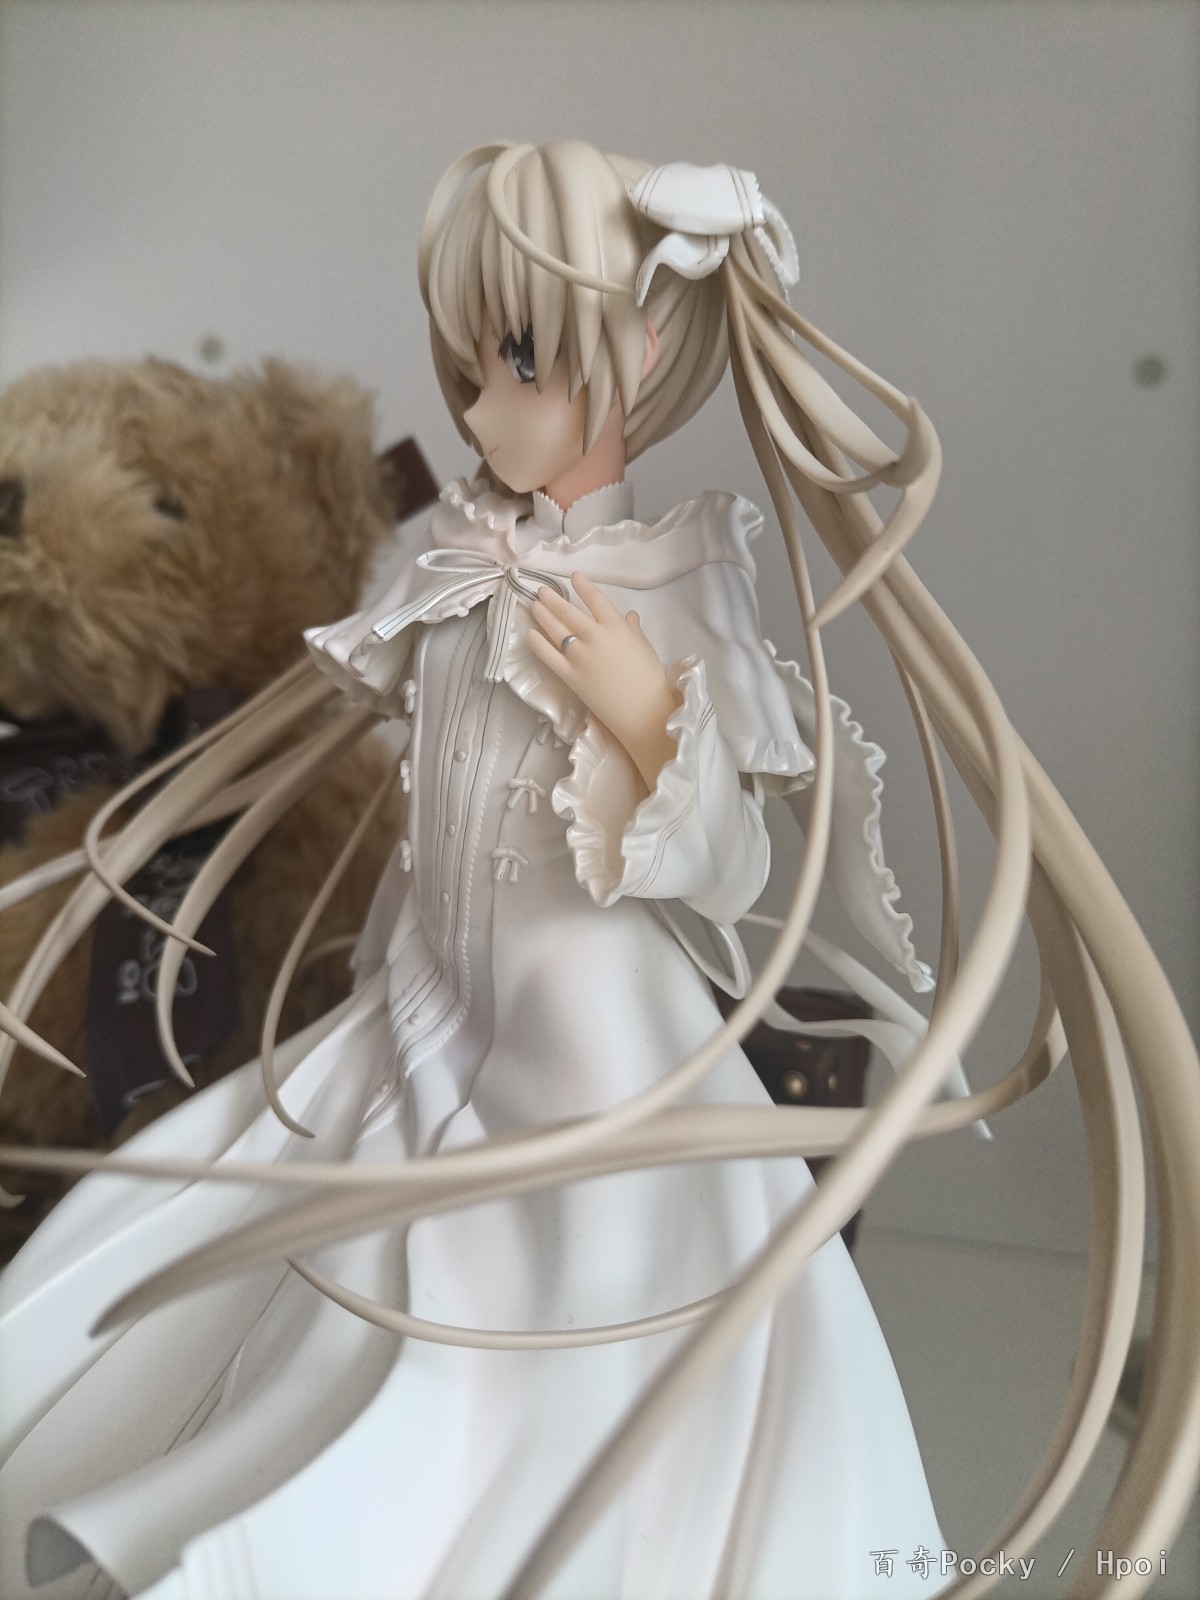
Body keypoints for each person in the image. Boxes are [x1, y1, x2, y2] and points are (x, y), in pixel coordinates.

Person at [0, 139, 1196, 1600]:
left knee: (568, 1327)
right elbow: (378, 754)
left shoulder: (676, 579)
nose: (472, 402)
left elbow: (727, 862)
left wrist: (647, 716)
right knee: (264, 1261)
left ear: (638, 351)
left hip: (583, 1043)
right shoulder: (457, 558)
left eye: (513, 358)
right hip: (420, 1004)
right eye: (462, 360)